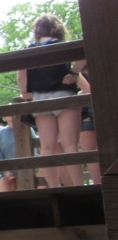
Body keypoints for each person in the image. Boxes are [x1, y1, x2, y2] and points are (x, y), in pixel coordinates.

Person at [17, 14, 86, 188]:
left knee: (47, 148)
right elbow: (84, 52)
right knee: (70, 145)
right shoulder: (61, 45)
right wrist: (74, 73)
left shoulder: (29, 50)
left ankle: (54, 188)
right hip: (63, 95)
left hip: (40, 98)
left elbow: (21, 74)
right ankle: (79, 186)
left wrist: (25, 91)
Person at [78, 68, 101, 185]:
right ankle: (99, 185)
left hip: (101, 106)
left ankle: (103, 184)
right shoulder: (77, 72)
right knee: (90, 152)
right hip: (85, 112)